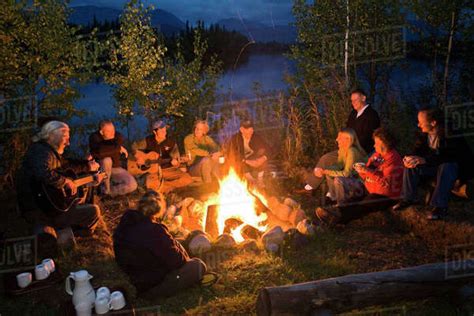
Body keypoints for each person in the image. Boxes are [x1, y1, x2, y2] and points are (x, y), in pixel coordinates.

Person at [113, 190, 207, 298]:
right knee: (198, 266)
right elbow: (178, 262)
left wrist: (173, 241)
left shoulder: (128, 219)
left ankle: (188, 243)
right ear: (159, 210)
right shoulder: (155, 230)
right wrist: (185, 256)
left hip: (136, 273)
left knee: (178, 241)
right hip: (151, 287)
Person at [16, 121, 102, 236]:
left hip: (50, 207)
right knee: (93, 211)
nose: (68, 143)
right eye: (65, 138)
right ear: (52, 136)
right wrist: (64, 181)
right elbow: (43, 172)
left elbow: (67, 165)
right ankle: (69, 232)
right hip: (42, 211)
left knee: (82, 190)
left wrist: (87, 166)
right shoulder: (41, 152)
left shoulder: (48, 151)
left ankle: (65, 229)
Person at [392, 107, 473, 220]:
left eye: (421, 122)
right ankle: (409, 198)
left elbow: (449, 155)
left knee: (447, 165)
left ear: (433, 122)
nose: (418, 125)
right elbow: (418, 150)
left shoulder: (450, 133)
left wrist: (425, 160)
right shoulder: (425, 135)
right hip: (435, 167)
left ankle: (440, 207)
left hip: (455, 171)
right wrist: (410, 158)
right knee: (412, 165)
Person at [316, 128, 403, 225]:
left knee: (363, 205)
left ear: (384, 144)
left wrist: (367, 171)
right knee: (353, 198)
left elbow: (386, 183)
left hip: (385, 195)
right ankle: (334, 212)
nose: (374, 145)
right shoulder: (377, 155)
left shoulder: (393, 161)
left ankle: (339, 219)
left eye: (376, 143)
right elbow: (367, 173)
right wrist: (361, 170)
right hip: (370, 188)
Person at [302, 89, 380, 193]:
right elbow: (346, 131)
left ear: (363, 98)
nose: (353, 103)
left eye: (356, 100)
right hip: (347, 147)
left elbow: (367, 138)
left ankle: (334, 191)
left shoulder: (372, 115)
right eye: (352, 101)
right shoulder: (353, 113)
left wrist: (349, 147)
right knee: (325, 158)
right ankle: (312, 184)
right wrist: (343, 143)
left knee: (341, 163)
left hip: (361, 151)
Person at [130, 120, 192, 193]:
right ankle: (162, 188)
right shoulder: (148, 140)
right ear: (154, 132)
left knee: (187, 179)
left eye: (165, 129)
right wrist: (138, 156)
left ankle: (163, 186)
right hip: (152, 172)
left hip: (167, 170)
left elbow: (176, 159)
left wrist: (176, 163)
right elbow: (133, 147)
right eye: (161, 130)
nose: (164, 132)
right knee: (150, 184)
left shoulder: (171, 142)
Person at [314, 128, 367, 205]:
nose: (336, 139)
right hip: (351, 177)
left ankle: (341, 204)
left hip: (359, 182)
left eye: (340, 138)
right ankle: (333, 197)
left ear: (348, 139)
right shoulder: (343, 149)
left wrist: (327, 171)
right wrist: (324, 170)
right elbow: (339, 164)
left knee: (338, 179)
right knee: (329, 174)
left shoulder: (352, 151)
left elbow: (346, 173)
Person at [89, 120, 137, 197]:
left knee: (132, 184)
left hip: (115, 168)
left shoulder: (117, 136)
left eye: (113, 130)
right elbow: (100, 152)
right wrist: (117, 148)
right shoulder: (95, 137)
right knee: (107, 160)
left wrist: (111, 148)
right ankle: (105, 188)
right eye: (109, 131)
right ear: (101, 132)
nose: (112, 133)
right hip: (100, 169)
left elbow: (102, 150)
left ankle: (109, 193)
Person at [224, 119, 271, 185]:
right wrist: (247, 161)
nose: (251, 131)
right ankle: (251, 181)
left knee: (262, 158)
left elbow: (268, 149)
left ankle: (260, 180)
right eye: (248, 129)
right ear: (241, 129)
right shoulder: (235, 139)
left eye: (251, 128)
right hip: (242, 162)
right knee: (239, 163)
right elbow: (232, 154)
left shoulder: (256, 137)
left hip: (253, 159)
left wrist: (262, 158)